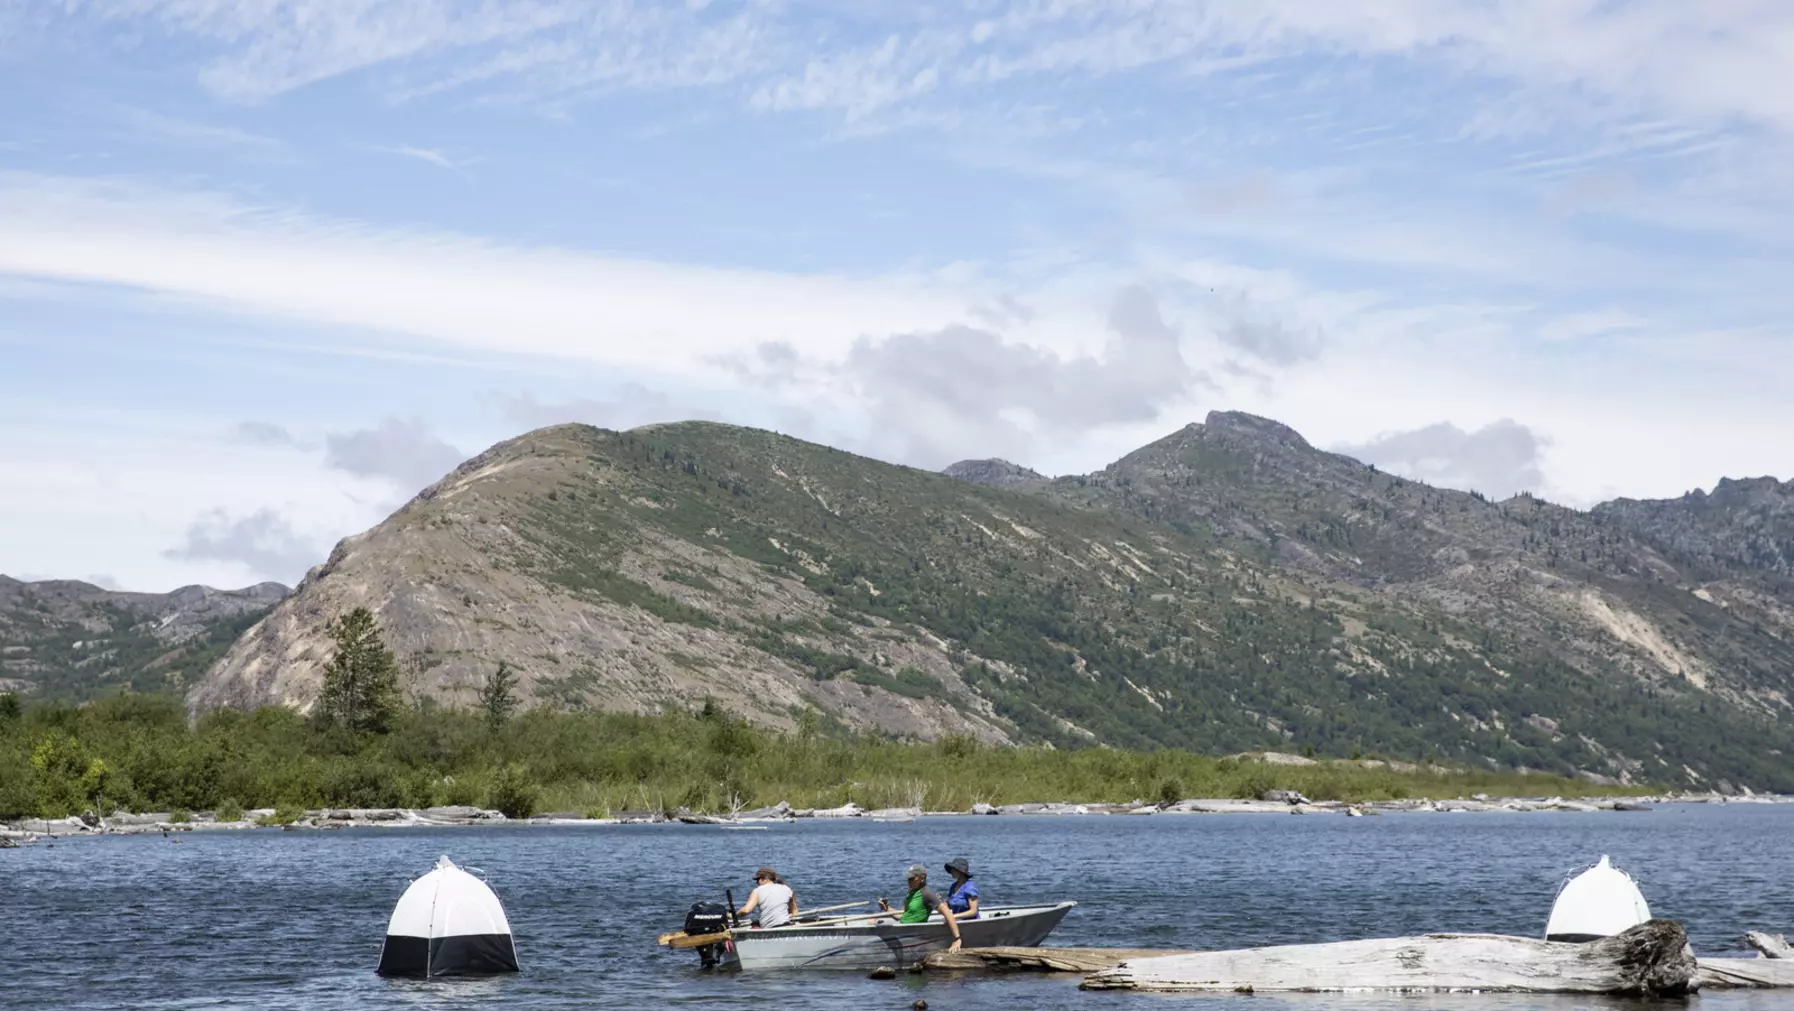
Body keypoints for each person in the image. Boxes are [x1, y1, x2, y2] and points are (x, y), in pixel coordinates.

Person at [878, 863, 962, 950]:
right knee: (873, 922)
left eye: (912, 879)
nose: (908, 881)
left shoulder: (926, 894)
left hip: (912, 935)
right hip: (902, 930)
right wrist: (887, 908)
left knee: (875, 924)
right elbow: (902, 916)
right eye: (908, 879)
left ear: (922, 878)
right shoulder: (910, 894)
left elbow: (947, 913)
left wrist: (957, 939)